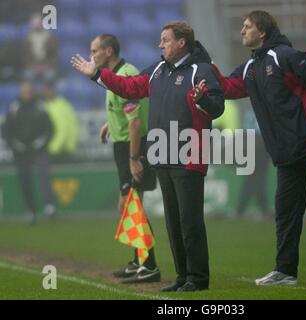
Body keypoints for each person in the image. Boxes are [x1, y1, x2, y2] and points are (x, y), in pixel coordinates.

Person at [206, 10, 306, 286]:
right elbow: (228, 87)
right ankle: (285, 270)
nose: (241, 31)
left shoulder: (286, 56)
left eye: (247, 26)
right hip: (286, 152)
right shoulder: (250, 67)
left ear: (262, 32)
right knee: (285, 212)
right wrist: (206, 66)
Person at [71, 21, 224, 292]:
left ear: (181, 43)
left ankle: (198, 278)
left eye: (165, 40)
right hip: (162, 154)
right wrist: (97, 75)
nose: (160, 45)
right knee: (173, 221)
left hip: (189, 155)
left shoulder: (202, 70)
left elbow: (217, 107)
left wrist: (203, 99)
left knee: (190, 221)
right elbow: (130, 87)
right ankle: (182, 277)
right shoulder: (157, 70)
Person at [89, 34, 160, 284]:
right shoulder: (114, 76)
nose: (92, 56)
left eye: (95, 51)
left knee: (131, 206)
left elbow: (136, 120)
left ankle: (149, 264)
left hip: (134, 147)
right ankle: (139, 260)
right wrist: (110, 124)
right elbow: (125, 109)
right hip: (124, 145)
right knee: (129, 206)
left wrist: (134, 157)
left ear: (108, 51)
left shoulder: (125, 74)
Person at [1, 80, 56, 224]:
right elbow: (6, 131)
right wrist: (15, 145)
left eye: (29, 91)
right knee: (24, 180)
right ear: (21, 91)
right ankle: (31, 210)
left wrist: (40, 143)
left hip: (39, 149)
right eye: (25, 91)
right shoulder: (14, 107)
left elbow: (49, 128)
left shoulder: (40, 106)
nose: (27, 93)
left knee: (44, 174)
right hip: (20, 151)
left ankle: (49, 206)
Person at [42, 81, 79, 160]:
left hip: (63, 151)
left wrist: (52, 149)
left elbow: (63, 131)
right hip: (52, 149)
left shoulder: (61, 106)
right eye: (46, 89)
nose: (47, 91)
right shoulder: (44, 105)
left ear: (54, 89)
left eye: (49, 88)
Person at [22, 13, 58, 82]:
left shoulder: (50, 38)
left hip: (47, 66)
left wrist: (45, 66)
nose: (36, 25)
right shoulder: (27, 39)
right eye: (34, 23)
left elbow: (54, 56)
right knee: (27, 75)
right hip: (32, 66)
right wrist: (33, 66)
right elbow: (25, 56)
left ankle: (47, 92)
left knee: (50, 76)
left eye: (38, 23)